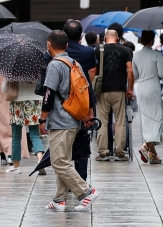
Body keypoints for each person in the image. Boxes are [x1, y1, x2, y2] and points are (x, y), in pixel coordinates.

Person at [41, 30, 99, 212]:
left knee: (58, 161)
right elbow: (88, 90)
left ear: (49, 44)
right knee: (63, 159)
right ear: (66, 46)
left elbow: (48, 94)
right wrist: (88, 113)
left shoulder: (54, 65)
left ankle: (86, 191)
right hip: (74, 118)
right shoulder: (75, 63)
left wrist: (42, 118)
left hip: (60, 120)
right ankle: (59, 199)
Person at [63, 19, 98, 180]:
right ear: (81, 35)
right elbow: (90, 78)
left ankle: (68, 180)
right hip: (83, 100)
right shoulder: (88, 52)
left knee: (64, 143)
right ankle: (81, 178)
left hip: (63, 102)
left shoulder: (58, 53)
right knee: (82, 140)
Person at [94, 28, 133, 161]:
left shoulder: (98, 50)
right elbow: (130, 70)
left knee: (103, 122)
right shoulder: (125, 51)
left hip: (102, 90)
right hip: (119, 89)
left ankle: (103, 152)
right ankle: (120, 152)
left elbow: (93, 69)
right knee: (120, 121)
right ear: (117, 38)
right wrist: (130, 89)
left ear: (105, 38)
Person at [133, 30, 163, 164]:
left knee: (146, 117)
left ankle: (152, 153)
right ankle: (146, 145)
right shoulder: (157, 54)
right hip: (153, 87)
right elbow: (162, 73)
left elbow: (135, 73)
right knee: (158, 117)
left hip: (141, 87)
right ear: (152, 40)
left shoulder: (135, 55)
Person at [5, 77, 45, 174]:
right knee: (35, 134)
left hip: (17, 101)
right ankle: (40, 160)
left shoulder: (15, 66)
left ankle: (16, 165)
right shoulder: (37, 65)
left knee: (16, 136)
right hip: (35, 100)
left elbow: (4, 87)